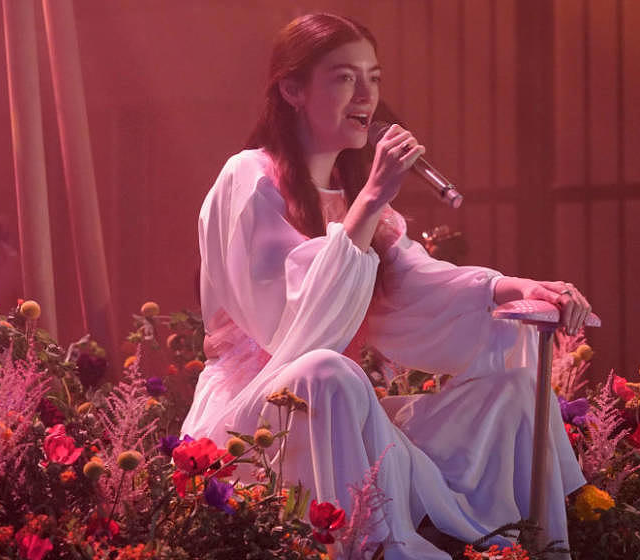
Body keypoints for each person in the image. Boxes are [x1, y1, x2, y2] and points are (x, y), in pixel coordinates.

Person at [181, 13, 592, 560]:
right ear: (292, 89)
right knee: (325, 370)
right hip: (256, 420)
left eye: (373, 78)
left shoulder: (356, 197)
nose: (366, 95)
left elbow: (416, 286)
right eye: (344, 77)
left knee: (513, 393)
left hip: (335, 406)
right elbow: (291, 327)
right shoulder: (248, 177)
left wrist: (512, 288)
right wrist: (372, 198)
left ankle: (532, 549)